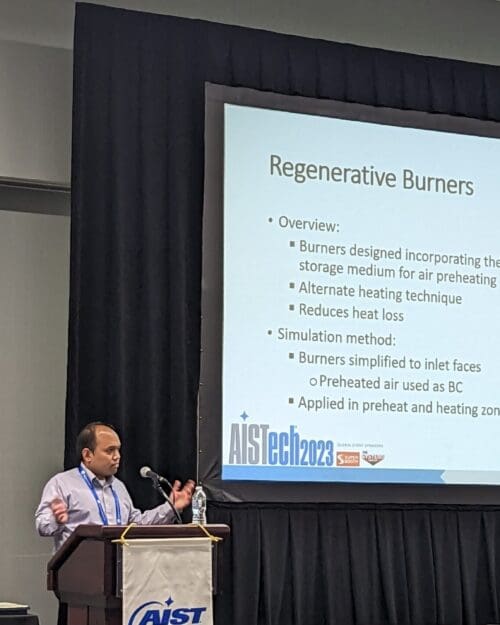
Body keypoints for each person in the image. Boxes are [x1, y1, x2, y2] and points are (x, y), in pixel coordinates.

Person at [35, 421, 195, 551]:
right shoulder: (62, 483)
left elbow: (136, 525)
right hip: (79, 574)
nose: (117, 456)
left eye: (118, 450)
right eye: (110, 450)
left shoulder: (119, 487)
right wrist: (57, 519)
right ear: (88, 455)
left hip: (121, 571)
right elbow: (43, 525)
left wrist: (171, 506)